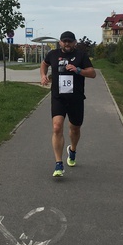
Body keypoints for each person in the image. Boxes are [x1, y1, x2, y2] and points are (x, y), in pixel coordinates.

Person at [40, 31, 96, 178]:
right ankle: (58, 163)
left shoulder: (81, 56)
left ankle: (72, 150)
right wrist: (43, 76)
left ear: (74, 42)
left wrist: (78, 70)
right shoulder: (53, 54)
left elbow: (92, 73)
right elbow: (44, 64)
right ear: (60, 42)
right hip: (58, 97)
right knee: (57, 127)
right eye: (64, 41)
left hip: (76, 98)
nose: (67, 44)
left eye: (70, 41)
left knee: (75, 128)